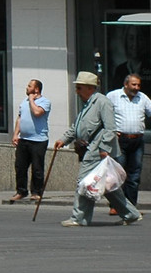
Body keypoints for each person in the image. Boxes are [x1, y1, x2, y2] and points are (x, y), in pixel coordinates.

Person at [56, 71, 141, 227]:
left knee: (83, 181)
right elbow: (77, 127)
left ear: (90, 88)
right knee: (108, 185)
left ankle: (79, 218)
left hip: (97, 150)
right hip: (91, 149)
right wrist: (63, 139)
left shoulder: (102, 102)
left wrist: (104, 148)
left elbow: (110, 128)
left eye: (79, 88)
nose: (77, 91)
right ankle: (130, 214)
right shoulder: (88, 104)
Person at [106, 72, 151, 207]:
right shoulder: (112, 96)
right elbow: (103, 114)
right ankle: (116, 205)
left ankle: (131, 207)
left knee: (134, 175)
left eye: (138, 85)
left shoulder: (142, 98)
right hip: (119, 140)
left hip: (137, 141)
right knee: (118, 174)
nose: (137, 87)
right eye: (134, 84)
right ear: (126, 84)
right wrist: (110, 132)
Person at [11, 78, 51, 201]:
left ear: (36, 89)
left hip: (38, 140)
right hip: (24, 139)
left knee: (37, 168)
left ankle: (36, 192)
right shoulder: (24, 102)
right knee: (20, 166)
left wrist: (32, 100)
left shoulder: (45, 102)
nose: (27, 88)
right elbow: (20, 118)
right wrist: (15, 134)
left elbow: (37, 112)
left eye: (29, 86)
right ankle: (21, 191)